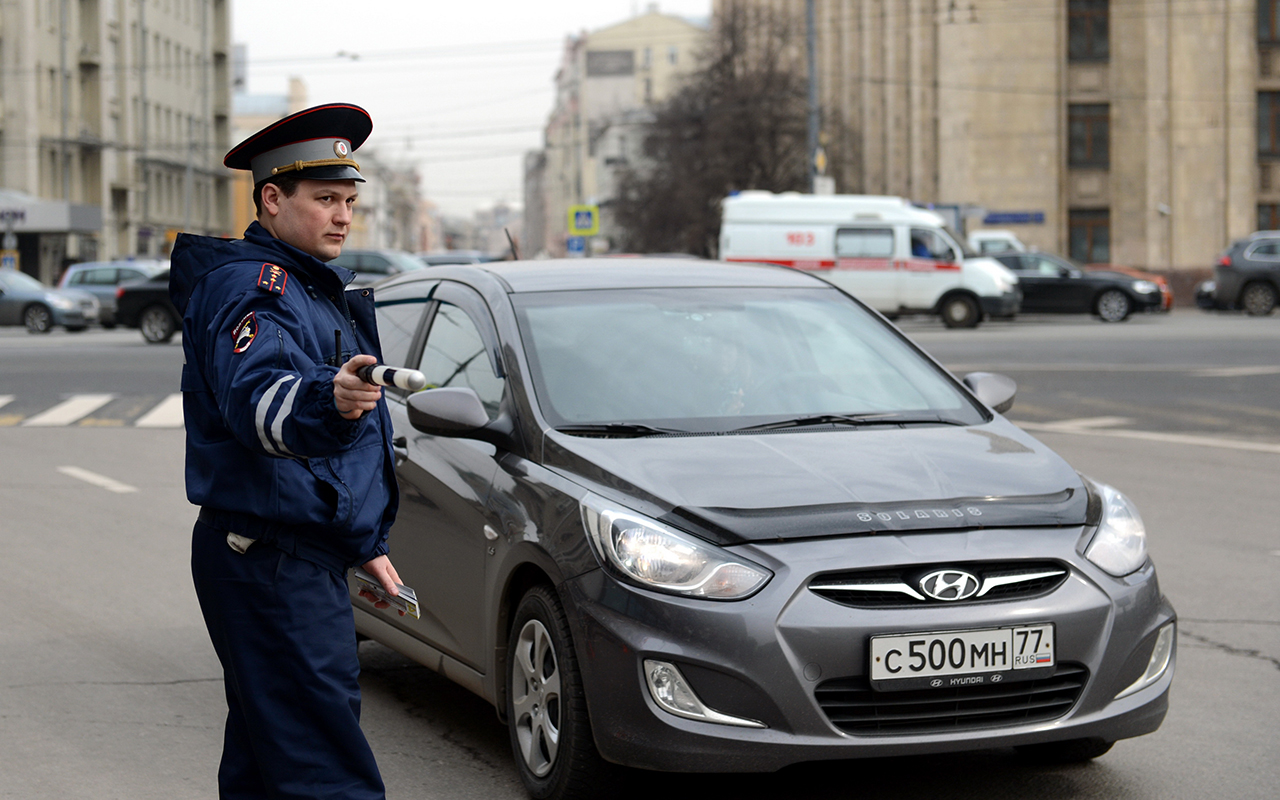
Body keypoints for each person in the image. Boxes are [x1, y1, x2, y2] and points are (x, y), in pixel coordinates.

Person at [169, 103, 402, 799]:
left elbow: (313, 463)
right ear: (272, 198)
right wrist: (327, 401)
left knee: (268, 765)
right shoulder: (257, 288)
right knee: (325, 774)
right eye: (325, 198)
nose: (342, 216)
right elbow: (261, 404)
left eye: (350, 201)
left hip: (282, 554)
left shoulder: (303, 284)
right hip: (272, 563)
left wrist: (359, 537)